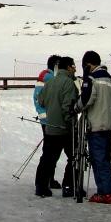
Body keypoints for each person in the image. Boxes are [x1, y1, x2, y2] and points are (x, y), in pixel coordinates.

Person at [35, 56, 78, 198]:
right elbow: (68, 108)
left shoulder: (50, 81)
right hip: (65, 129)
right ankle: (69, 187)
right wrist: (71, 125)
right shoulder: (69, 83)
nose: (75, 69)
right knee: (74, 157)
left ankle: (41, 186)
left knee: (48, 158)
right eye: (73, 66)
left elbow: (40, 100)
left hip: (50, 127)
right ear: (68, 67)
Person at [79, 50, 111, 204]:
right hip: (108, 124)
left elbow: (87, 99)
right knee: (105, 160)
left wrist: (75, 107)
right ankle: (106, 190)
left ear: (88, 64)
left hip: (96, 125)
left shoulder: (92, 78)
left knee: (98, 160)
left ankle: (106, 192)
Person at [33, 55, 62, 190]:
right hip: (50, 120)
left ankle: (47, 179)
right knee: (51, 151)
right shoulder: (50, 78)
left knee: (51, 150)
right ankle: (44, 180)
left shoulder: (45, 76)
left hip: (47, 118)